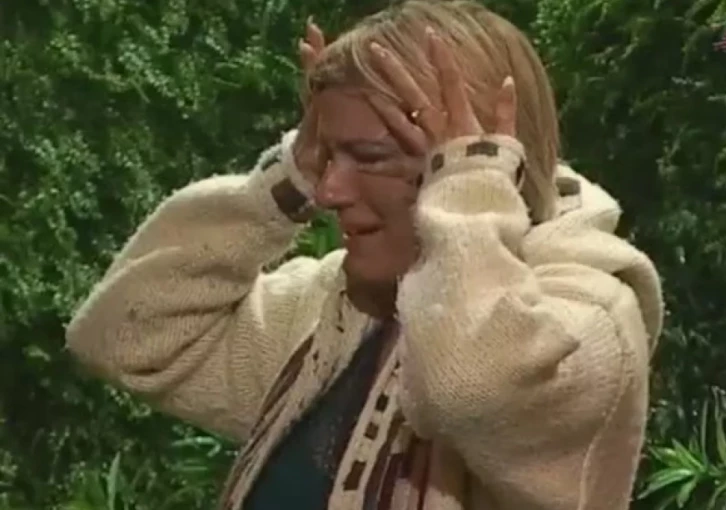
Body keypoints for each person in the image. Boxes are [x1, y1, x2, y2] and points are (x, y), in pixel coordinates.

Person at [65, 1, 664, 509]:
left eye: (370, 157)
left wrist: (470, 185)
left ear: (477, 158)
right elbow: (123, 337)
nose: (328, 192)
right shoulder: (333, 309)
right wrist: (287, 181)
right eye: (328, 157)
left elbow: (468, 385)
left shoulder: (588, 322)